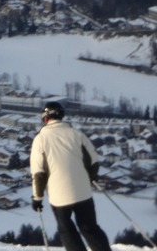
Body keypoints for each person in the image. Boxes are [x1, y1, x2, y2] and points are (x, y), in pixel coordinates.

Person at [30, 101, 111, 251]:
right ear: (61, 115)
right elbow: (93, 161)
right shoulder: (77, 134)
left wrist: (37, 198)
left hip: (58, 195)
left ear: (45, 118)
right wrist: (90, 178)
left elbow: (39, 173)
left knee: (67, 230)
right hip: (83, 191)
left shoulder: (40, 139)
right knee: (90, 228)